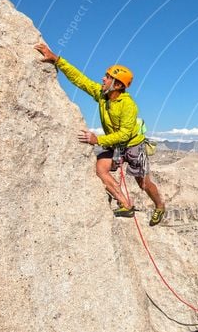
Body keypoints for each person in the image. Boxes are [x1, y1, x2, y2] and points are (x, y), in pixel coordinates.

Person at [33, 42, 166, 226]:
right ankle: (125, 204)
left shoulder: (128, 105)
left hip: (133, 146)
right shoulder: (102, 96)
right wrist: (56, 59)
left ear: (117, 84)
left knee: (143, 184)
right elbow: (80, 80)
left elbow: (125, 135)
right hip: (116, 146)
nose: (103, 79)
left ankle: (159, 205)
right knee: (100, 168)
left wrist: (98, 140)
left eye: (107, 77)